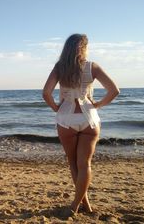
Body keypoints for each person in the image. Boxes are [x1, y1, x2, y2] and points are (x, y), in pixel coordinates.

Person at [42, 34, 119, 215]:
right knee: (85, 164)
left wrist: (55, 108)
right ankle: (83, 204)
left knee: (73, 163)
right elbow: (114, 91)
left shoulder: (60, 67)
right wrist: (98, 104)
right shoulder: (92, 67)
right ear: (84, 48)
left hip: (66, 119)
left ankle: (76, 205)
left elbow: (46, 93)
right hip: (89, 119)